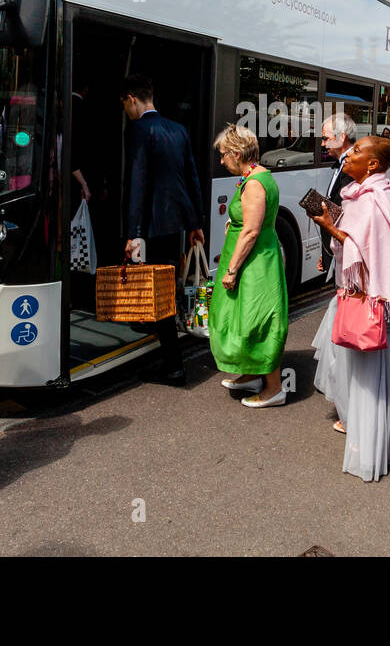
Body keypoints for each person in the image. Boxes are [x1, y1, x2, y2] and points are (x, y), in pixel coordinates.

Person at [309, 136, 390, 480]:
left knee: (373, 363)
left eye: (357, 151)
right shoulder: (359, 194)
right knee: (373, 363)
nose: (348, 154)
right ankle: (378, 435)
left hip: (378, 289)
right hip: (368, 284)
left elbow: (372, 249)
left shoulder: (377, 198)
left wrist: (329, 226)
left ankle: (374, 443)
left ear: (373, 165)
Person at [121, 75, 205, 386]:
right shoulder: (178, 129)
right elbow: (192, 178)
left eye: (125, 105)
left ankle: (173, 367)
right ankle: (172, 362)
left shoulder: (139, 129)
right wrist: (195, 223)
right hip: (178, 222)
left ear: (131, 99)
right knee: (167, 292)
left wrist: (132, 232)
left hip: (154, 224)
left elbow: (137, 181)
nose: (127, 111)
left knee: (158, 296)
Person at [209, 124, 290, 406]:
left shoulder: (254, 182)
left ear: (236, 152)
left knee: (258, 320)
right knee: (245, 317)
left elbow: (252, 231)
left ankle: (274, 389)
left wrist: (231, 270)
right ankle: (250, 373)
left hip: (255, 263)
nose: (221, 161)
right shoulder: (255, 175)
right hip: (253, 259)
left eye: (223, 155)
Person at [317, 113, 356, 277]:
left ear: (341, 137)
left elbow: (349, 214)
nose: (322, 143)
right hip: (337, 251)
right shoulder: (341, 163)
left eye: (326, 138)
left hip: (348, 258)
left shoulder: (355, 165)